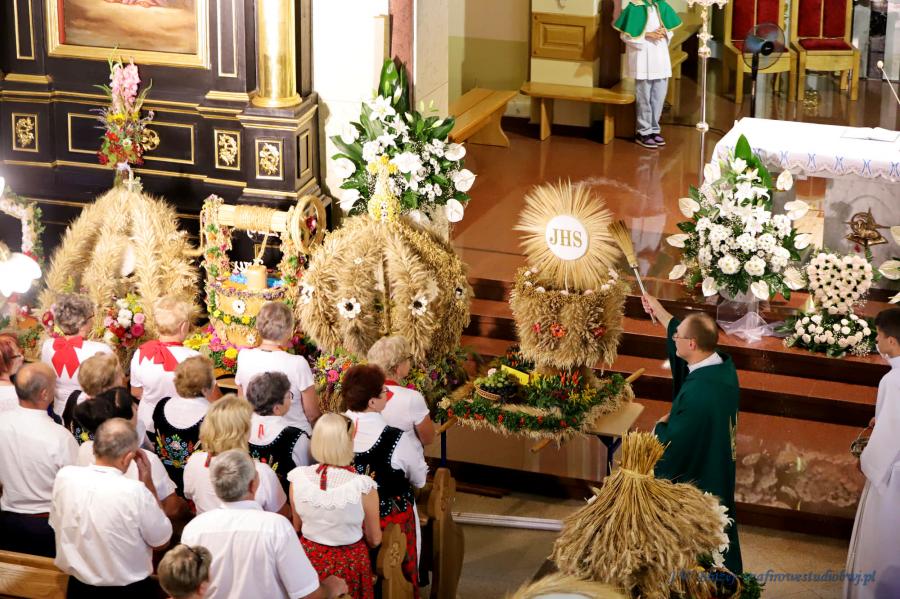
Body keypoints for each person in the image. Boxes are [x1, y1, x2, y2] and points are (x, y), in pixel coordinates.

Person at [641, 295, 742, 573]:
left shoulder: (701, 394)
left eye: (678, 337)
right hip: (717, 456)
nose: (674, 338)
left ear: (692, 344)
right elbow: (681, 330)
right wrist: (659, 310)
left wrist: (659, 428)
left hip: (704, 471)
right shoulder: (719, 366)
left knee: (701, 539)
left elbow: (674, 446)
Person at [181, 449, 348, 599]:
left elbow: (187, 591)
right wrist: (330, 588)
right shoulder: (277, 528)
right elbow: (308, 595)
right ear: (253, 484)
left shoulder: (193, 530)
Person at [50, 418, 172, 598]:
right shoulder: (135, 491)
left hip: (79, 587)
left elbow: (56, 524)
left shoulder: (65, 477)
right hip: (128, 591)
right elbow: (161, 541)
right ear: (128, 458)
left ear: (94, 448)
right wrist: (148, 482)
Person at [343, 364, 428, 596]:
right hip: (388, 524)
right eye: (383, 392)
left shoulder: (333, 429)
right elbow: (419, 479)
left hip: (344, 518)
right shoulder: (395, 438)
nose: (388, 394)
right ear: (372, 402)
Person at [288, 413, 381, 599]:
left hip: (309, 561)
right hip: (350, 564)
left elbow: (297, 526)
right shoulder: (363, 486)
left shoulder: (297, 478)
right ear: (347, 443)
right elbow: (374, 539)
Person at [845, 307, 900, 598]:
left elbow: (891, 435)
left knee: (882, 544)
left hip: (892, 477)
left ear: (891, 340)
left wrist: (866, 460)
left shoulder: (893, 380)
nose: (876, 341)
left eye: (878, 335)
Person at [0, 363, 78, 556]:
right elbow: (74, 487)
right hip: (45, 524)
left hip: (6, 518)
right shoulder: (60, 437)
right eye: (54, 386)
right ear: (44, 394)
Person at [73, 387, 182, 519]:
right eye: (132, 404)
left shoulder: (85, 447)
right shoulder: (144, 459)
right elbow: (172, 509)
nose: (136, 406)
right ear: (126, 419)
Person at [183, 394, 289, 516]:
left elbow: (189, 496)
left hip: (207, 526)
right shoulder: (260, 472)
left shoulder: (194, 462)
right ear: (243, 431)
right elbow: (283, 515)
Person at [235, 301, 320, 434]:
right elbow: (312, 415)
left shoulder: (243, 356)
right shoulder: (298, 363)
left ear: (258, 326)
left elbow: (242, 403)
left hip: (254, 435)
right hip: (294, 436)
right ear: (288, 330)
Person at [613, 0, 682, 149]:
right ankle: (643, 132)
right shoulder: (634, 7)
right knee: (644, 97)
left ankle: (654, 129)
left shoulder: (661, 6)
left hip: (660, 57)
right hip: (643, 58)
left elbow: (670, 30)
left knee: (659, 96)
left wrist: (665, 32)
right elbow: (625, 35)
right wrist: (647, 35)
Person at [131, 296, 202, 434]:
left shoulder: (142, 352)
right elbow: (213, 400)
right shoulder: (194, 358)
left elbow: (135, 392)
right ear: (184, 326)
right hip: (183, 426)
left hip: (148, 425)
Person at [40, 293, 113, 417]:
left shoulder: (48, 345)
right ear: (82, 324)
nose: (93, 320)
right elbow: (111, 388)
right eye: (91, 316)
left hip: (58, 413)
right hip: (89, 415)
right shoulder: (100, 349)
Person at [152, 355, 216, 494]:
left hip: (165, 484)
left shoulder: (161, 405)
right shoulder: (214, 415)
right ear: (206, 387)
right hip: (198, 487)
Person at [366, 335, 435, 451]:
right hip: (405, 460)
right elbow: (428, 439)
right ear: (397, 367)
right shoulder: (411, 398)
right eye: (408, 358)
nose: (410, 362)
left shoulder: (362, 394)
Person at [246, 371, 311, 489]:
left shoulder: (240, 428)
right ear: (276, 408)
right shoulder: (296, 437)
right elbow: (305, 476)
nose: (290, 399)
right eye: (288, 396)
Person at [62, 352, 125, 444]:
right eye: (120, 375)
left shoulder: (74, 397)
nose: (123, 376)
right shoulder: (118, 412)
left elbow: (67, 424)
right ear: (108, 386)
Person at [0, 333, 25, 411]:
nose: (22, 357)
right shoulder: (16, 396)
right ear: (3, 362)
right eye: (18, 355)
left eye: (22, 352)